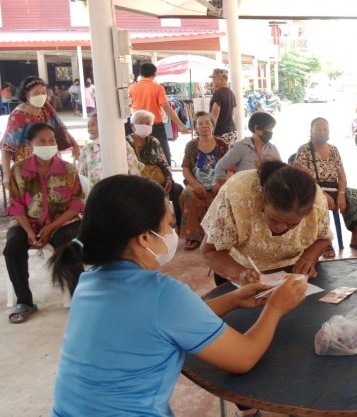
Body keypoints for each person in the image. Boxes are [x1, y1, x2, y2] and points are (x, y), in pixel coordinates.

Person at [48, 175, 307, 416]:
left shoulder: (88, 282)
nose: (175, 235)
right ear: (144, 238)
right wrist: (275, 307)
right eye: (170, 226)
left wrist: (234, 299)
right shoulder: (162, 293)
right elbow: (243, 358)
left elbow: (164, 322)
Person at [202, 161, 332, 286]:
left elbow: (323, 238)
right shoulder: (237, 193)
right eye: (275, 220)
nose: (281, 228)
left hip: (292, 270)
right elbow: (210, 250)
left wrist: (308, 258)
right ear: (263, 195)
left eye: (292, 224)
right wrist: (241, 274)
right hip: (239, 268)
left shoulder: (316, 203)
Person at [4, 123, 84, 324]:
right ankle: (25, 301)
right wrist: (30, 232)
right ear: (31, 144)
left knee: (71, 245)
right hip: (26, 223)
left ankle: (80, 299)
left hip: (62, 222)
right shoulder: (18, 170)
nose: (48, 144)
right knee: (13, 246)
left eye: (52, 141)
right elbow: (16, 206)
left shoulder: (68, 169)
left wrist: (50, 228)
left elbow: (75, 206)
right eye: (42, 141)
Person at [293, 117, 357, 256]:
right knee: (319, 201)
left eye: (325, 129)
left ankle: (356, 238)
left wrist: (341, 195)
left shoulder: (333, 150)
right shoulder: (304, 150)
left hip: (334, 188)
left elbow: (342, 176)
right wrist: (322, 193)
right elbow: (302, 179)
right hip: (313, 189)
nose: (322, 132)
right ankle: (325, 241)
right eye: (318, 130)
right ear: (311, 131)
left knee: (355, 195)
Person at [1, 76, 79, 185]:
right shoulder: (18, 116)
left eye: (44, 92)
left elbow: (61, 128)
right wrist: (6, 174)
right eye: (36, 93)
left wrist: (75, 144)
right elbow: (7, 146)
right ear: (26, 94)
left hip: (51, 159)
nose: (41, 96)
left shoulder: (46, 108)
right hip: (28, 165)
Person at [126, 110, 184, 233]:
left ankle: (181, 226)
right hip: (139, 181)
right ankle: (154, 229)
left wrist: (169, 178)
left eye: (148, 123)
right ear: (133, 125)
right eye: (141, 123)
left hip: (158, 178)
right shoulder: (127, 143)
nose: (145, 126)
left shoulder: (154, 141)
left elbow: (163, 161)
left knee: (178, 189)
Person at [180, 112, 228, 251]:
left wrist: (221, 183)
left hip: (218, 182)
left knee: (224, 197)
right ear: (195, 127)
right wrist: (195, 185)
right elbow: (186, 168)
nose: (204, 126)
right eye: (200, 123)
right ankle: (194, 237)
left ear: (212, 125)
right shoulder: (191, 146)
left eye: (208, 122)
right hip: (197, 182)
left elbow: (230, 167)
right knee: (188, 195)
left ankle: (218, 235)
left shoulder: (222, 144)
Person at [128, 62, 190, 166]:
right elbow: (166, 107)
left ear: (140, 74)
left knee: (139, 155)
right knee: (163, 154)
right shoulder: (157, 88)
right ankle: (167, 178)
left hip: (137, 126)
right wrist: (181, 125)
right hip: (155, 126)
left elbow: (129, 106)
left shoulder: (132, 88)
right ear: (154, 74)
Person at [213, 111, 281, 191]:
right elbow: (220, 167)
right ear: (256, 128)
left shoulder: (273, 149)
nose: (271, 132)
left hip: (266, 197)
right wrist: (224, 191)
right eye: (268, 129)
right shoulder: (240, 147)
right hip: (243, 196)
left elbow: (280, 172)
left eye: (272, 129)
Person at [76, 113, 142, 189]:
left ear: (104, 125)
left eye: (93, 125)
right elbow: (81, 175)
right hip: (96, 194)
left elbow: (133, 170)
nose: (89, 129)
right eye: (88, 126)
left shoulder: (122, 145)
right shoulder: (87, 149)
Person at [209, 68, 238, 145]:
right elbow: (232, 114)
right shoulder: (231, 93)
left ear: (220, 78)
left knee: (220, 156)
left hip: (221, 133)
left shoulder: (218, 93)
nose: (212, 81)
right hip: (232, 131)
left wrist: (210, 132)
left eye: (214, 78)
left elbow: (214, 116)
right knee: (229, 156)